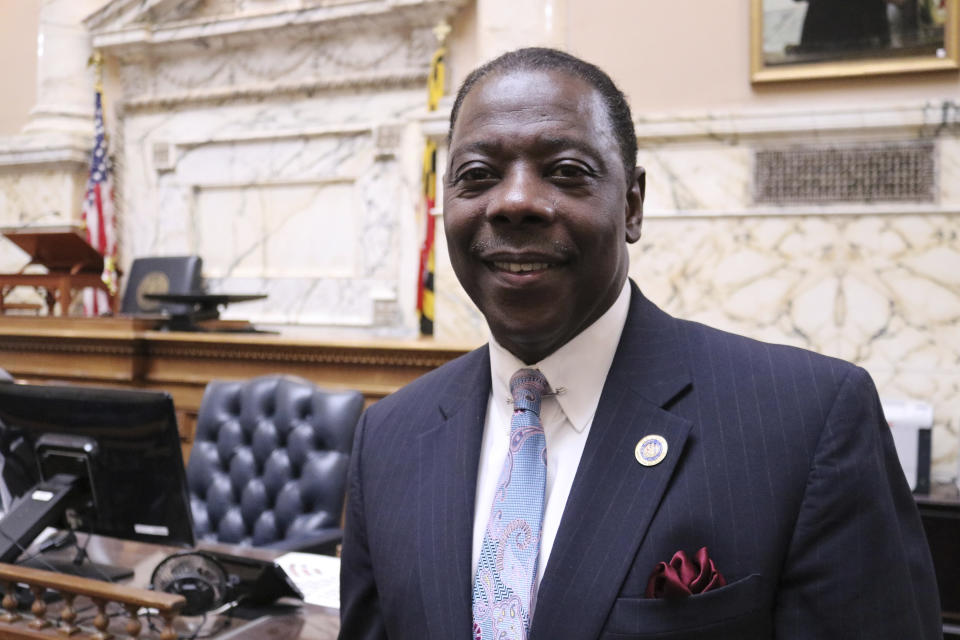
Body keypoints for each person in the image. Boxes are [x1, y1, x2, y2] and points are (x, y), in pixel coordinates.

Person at [338, 47, 941, 639]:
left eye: (565, 171)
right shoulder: (389, 438)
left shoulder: (807, 422)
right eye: (477, 176)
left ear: (632, 203)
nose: (515, 201)